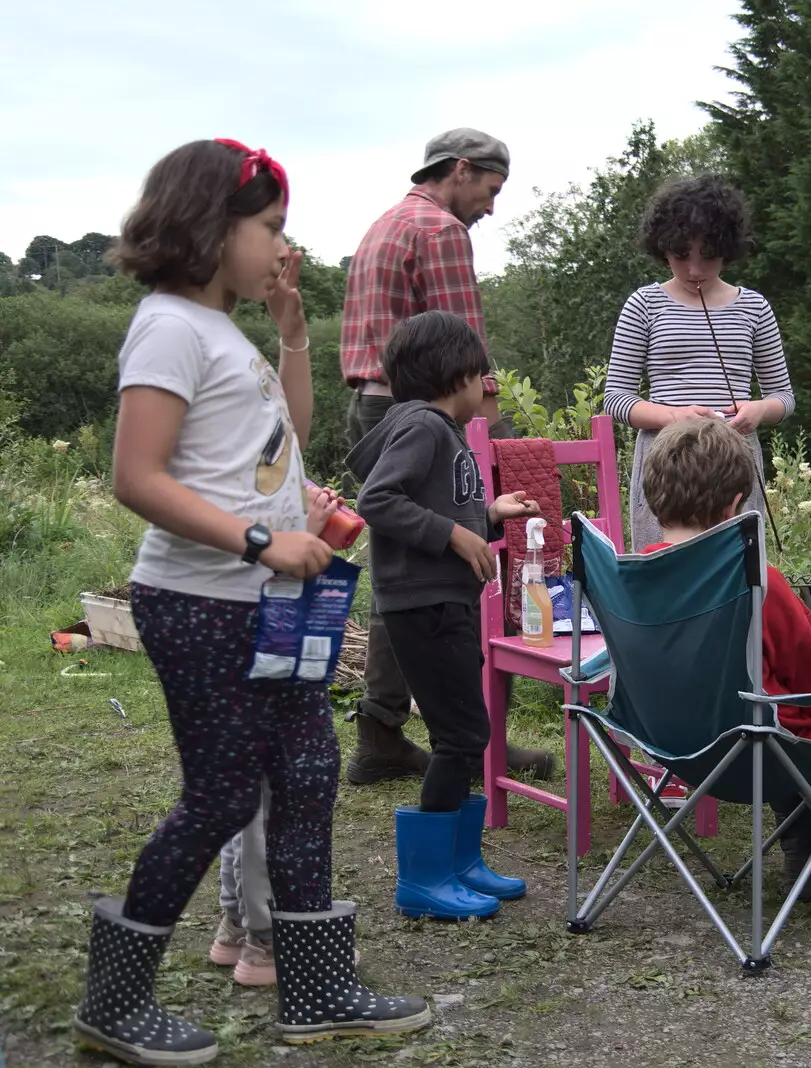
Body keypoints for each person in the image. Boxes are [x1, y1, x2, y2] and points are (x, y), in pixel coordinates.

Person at [74, 139, 429, 1067]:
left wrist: (294, 334)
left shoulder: (222, 333)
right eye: (268, 226)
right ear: (208, 226)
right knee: (224, 790)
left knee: (310, 772)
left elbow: (289, 444)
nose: (282, 243)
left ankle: (313, 991)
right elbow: (134, 476)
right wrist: (262, 539)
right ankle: (114, 1001)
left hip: (271, 598)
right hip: (200, 599)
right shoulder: (168, 328)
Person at [339, 128, 550, 785]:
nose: (490, 207)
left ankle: (382, 730)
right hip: (427, 411)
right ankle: (480, 732)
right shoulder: (441, 232)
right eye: (490, 190)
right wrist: (491, 427)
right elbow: (467, 346)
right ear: (460, 170)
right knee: (464, 562)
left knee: (401, 574)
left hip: (371, 406)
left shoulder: (385, 224)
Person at [640, 417, 811, 902]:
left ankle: (801, 849)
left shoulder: (634, 576)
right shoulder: (756, 578)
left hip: (674, 745)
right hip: (759, 750)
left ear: (654, 496)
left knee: (773, 692)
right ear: (736, 504)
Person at [348, 310, 542, 920]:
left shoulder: (434, 428)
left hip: (439, 599)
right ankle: (427, 878)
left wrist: (487, 514)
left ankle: (461, 863)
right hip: (425, 602)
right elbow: (377, 500)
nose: (486, 383)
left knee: (470, 733)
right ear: (455, 373)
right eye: (480, 372)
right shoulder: (426, 427)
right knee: (460, 737)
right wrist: (455, 537)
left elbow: (436, 503)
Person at [603, 174, 795, 553]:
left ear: (728, 248)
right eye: (680, 256)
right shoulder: (644, 305)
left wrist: (758, 410)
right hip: (666, 466)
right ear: (662, 249)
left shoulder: (754, 307)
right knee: (661, 571)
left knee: (736, 573)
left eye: (707, 256)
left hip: (732, 464)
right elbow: (616, 399)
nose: (694, 270)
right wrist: (673, 418)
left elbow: (784, 397)